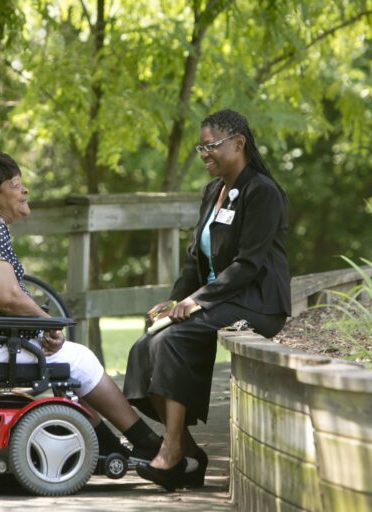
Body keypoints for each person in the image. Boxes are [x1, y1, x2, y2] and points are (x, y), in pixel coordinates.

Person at [0, 151, 161, 460]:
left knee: (67, 375)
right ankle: (148, 443)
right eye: (15, 184)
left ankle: (108, 449)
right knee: (80, 360)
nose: (24, 190)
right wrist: (49, 322)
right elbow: (7, 296)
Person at [123, 109, 291, 491]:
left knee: (172, 341)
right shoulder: (213, 192)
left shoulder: (262, 192)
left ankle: (170, 454)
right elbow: (192, 262)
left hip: (256, 300)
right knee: (143, 347)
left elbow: (248, 265)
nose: (204, 153)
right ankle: (190, 452)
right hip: (215, 299)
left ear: (238, 143)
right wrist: (173, 301)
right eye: (201, 147)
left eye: (211, 145)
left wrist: (197, 301)